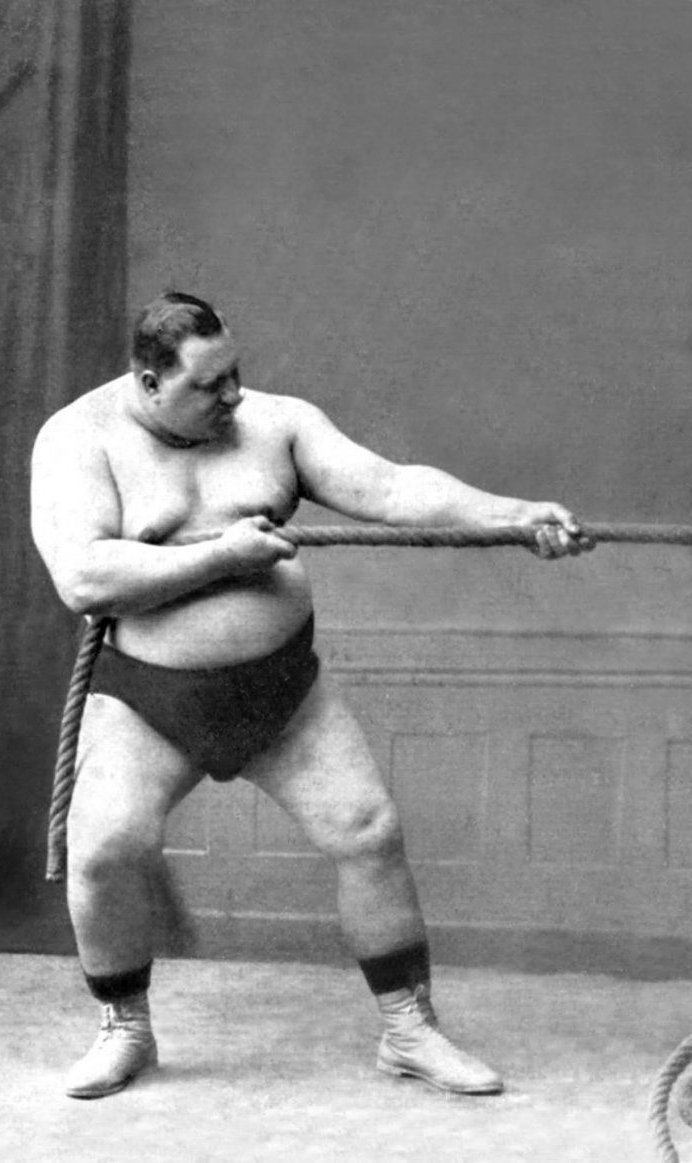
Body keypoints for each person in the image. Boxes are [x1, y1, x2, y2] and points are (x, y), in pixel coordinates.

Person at [30, 290, 591, 1101]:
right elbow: (85, 577)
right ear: (149, 382)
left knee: (368, 830)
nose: (232, 396)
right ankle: (126, 1029)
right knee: (105, 849)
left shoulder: (278, 423)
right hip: (150, 698)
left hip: (282, 690)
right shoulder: (78, 438)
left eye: (235, 374)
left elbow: (391, 489)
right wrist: (221, 557)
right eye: (207, 385)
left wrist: (513, 515)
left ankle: (408, 1029)